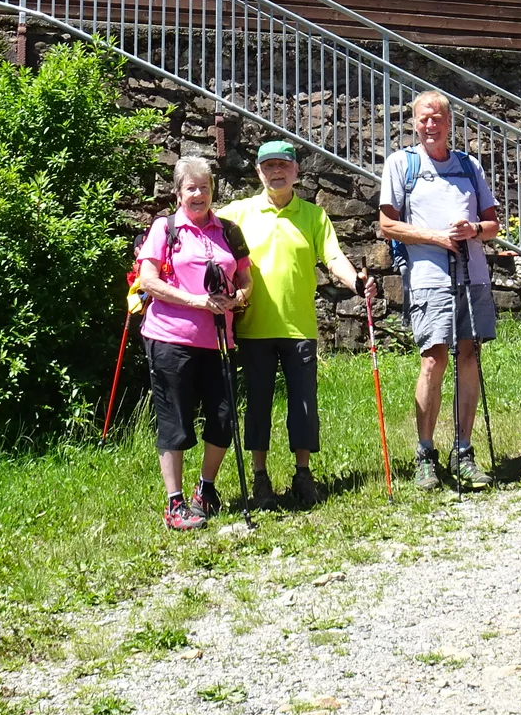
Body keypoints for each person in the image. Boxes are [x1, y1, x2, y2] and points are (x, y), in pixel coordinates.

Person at [217, 139, 363, 510]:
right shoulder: (238, 213)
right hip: (253, 326)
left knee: (303, 404)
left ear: (296, 171)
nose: (276, 172)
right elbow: (203, 232)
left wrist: (356, 282)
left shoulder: (313, 216)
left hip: (299, 328)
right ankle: (260, 477)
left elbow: (333, 257)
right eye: (269, 167)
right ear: (258, 172)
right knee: (259, 406)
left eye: (283, 165)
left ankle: (302, 473)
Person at [375, 90, 500, 490]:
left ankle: (463, 451)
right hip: (429, 278)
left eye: (439, 118)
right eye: (424, 118)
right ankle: (425, 453)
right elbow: (388, 225)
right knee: (433, 359)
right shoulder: (402, 163)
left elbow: (493, 224)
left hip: (472, 274)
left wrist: (473, 231)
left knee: (469, 355)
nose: (431, 125)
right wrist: (436, 237)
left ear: (450, 122)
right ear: (414, 122)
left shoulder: (469, 165)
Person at [134, 156, 251, 531]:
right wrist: (196, 301)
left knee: (223, 419)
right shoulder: (164, 228)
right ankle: (175, 504)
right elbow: (147, 281)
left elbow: (247, 281)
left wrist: (239, 300)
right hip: (171, 338)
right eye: (191, 188)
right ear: (178, 192)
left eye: (204, 187)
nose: (198, 194)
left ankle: (206, 489)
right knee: (176, 420)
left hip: (219, 340)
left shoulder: (229, 231)